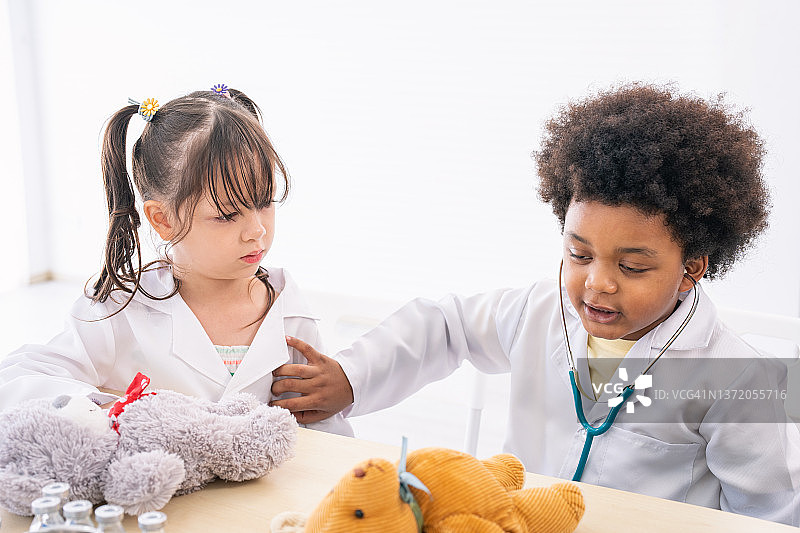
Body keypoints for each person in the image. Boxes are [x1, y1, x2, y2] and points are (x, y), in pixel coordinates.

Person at [271, 84, 800, 524]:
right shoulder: (538, 313)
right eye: (578, 253)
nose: (597, 284)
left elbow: (766, 515)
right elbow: (447, 324)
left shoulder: (738, 381)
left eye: (631, 266)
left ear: (692, 269)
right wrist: (353, 376)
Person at [0, 86, 352, 436]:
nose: (256, 230)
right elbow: (18, 380)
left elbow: (323, 430)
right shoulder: (121, 307)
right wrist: (111, 411)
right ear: (163, 220)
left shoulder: (288, 308)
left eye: (264, 202)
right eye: (228, 215)